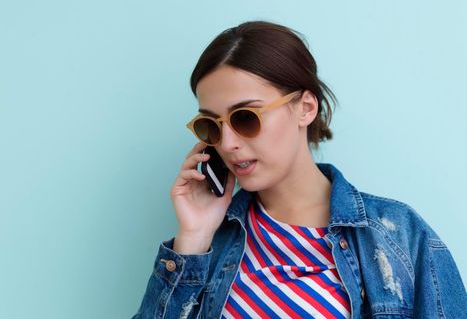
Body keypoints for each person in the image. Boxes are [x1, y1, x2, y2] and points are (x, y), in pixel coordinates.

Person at [132, 21, 466, 319]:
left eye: (245, 117)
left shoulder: (398, 236)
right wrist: (192, 239)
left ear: (305, 108)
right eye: (212, 126)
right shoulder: (206, 248)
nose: (229, 143)